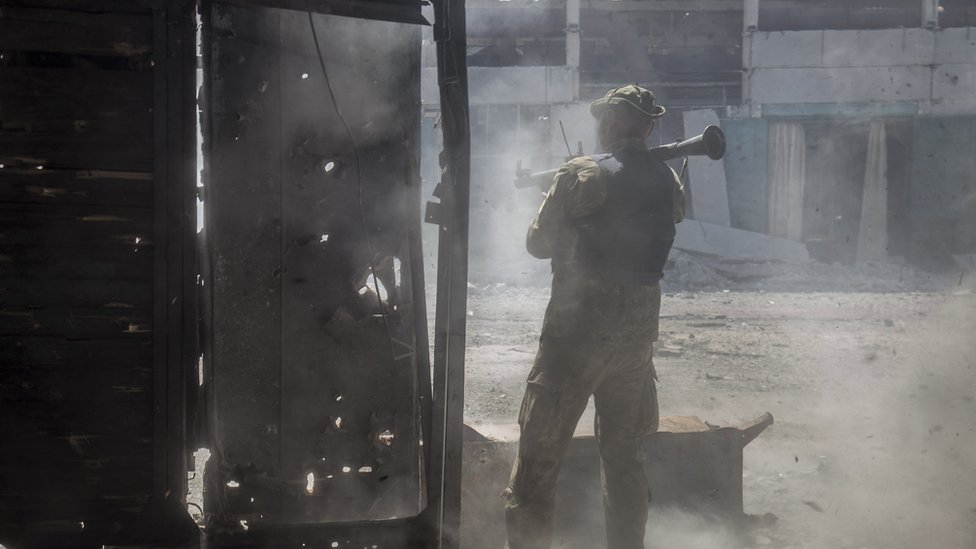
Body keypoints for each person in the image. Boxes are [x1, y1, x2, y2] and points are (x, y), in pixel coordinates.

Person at [503, 84, 685, 549]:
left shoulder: (582, 172)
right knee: (625, 462)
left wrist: (556, 197)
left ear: (606, 123)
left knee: (538, 465)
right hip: (636, 340)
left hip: (577, 335)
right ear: (647, 127)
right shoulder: (668, 178)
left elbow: (538, 244)